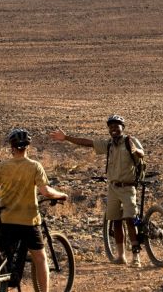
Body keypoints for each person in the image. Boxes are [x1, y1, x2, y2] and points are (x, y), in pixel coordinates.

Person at [50, 114, 145, 267]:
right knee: (115, 221)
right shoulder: (108, 144)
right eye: (111, 126)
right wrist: (66, 137)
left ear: (123, 127)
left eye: (117, 126)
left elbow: (141, 153)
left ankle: (136, 256)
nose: (113, 129)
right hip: (113, 188)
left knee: (130, 219)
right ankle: (121, 256)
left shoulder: (130, 141)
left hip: (128, 187)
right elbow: (87, 143)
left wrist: (136, 151)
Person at [0, 128, 68, 291]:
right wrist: (61, 195)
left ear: (11, 147)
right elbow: (45, 192)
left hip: (6, 219)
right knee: (40, 259)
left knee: (7, 255)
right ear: (28, 147)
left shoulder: (1, 167)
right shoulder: (35, 166)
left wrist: (0, 196)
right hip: (28, 220)